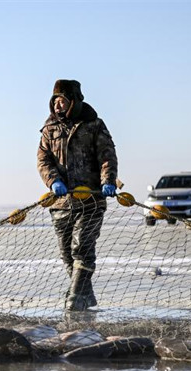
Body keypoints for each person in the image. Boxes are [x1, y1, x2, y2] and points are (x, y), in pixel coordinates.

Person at [36, 79, 118, 311]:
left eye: (62, 100)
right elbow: (43, 159)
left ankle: (74, 298)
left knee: (82, 248)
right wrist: (53, 181)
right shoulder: (49, 128)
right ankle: (85, 296)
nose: (58, 105)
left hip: (91, 198)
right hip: (61, 202)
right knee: (67, 254)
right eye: (55, 101)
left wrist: (108, 181)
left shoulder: (93, 124)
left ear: (73, 101)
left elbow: (107, 155)